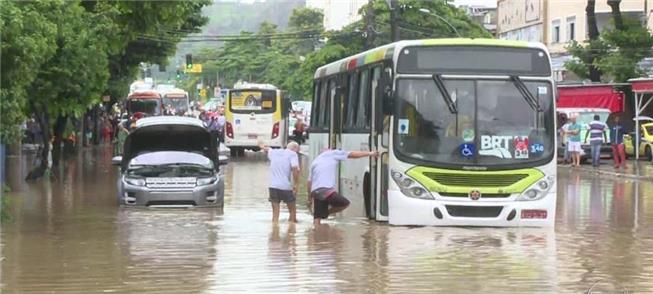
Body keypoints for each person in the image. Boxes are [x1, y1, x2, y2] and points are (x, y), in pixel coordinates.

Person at [307, 149, 378, 225]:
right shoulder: (332, 153)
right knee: (345, 203)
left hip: (316, 191)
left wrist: (309, 198)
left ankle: (316, 233)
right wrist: (370, 153)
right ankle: (325, 213)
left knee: (317, 218)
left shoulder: (315, 161)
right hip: (326, 190)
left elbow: (309, 182)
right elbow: (352, 154)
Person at [259, 141, 301, 223]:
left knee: (275, 214)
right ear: (294, 149)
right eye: (298, 151)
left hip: (273, 186)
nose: (298, 153)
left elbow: (264, 147)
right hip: (285, 187)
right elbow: (295, 169)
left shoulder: (274, 152)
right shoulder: (293, 154)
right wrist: (296, 184)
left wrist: (260, 143)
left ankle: (275, 230)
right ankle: (291, 232)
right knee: (292, 211)